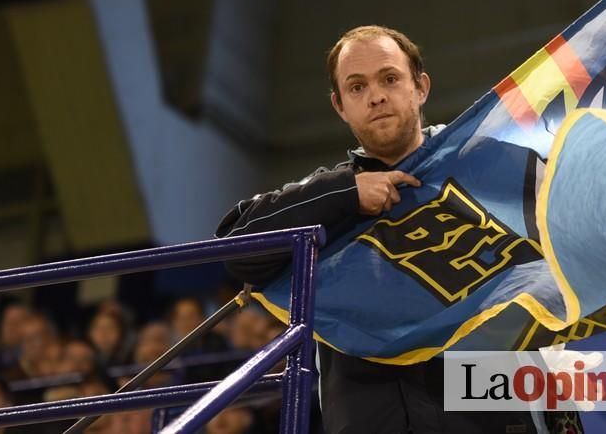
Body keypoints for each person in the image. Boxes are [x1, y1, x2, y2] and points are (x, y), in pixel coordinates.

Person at [217, 26, 580, 433]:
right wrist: (346, 194)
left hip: (488, 410)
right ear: (340, 106)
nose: (376, 96)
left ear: (420, 87)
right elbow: (236, 246)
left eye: (390, 78)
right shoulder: (326, 197)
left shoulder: (486, 163)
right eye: (357, 87)